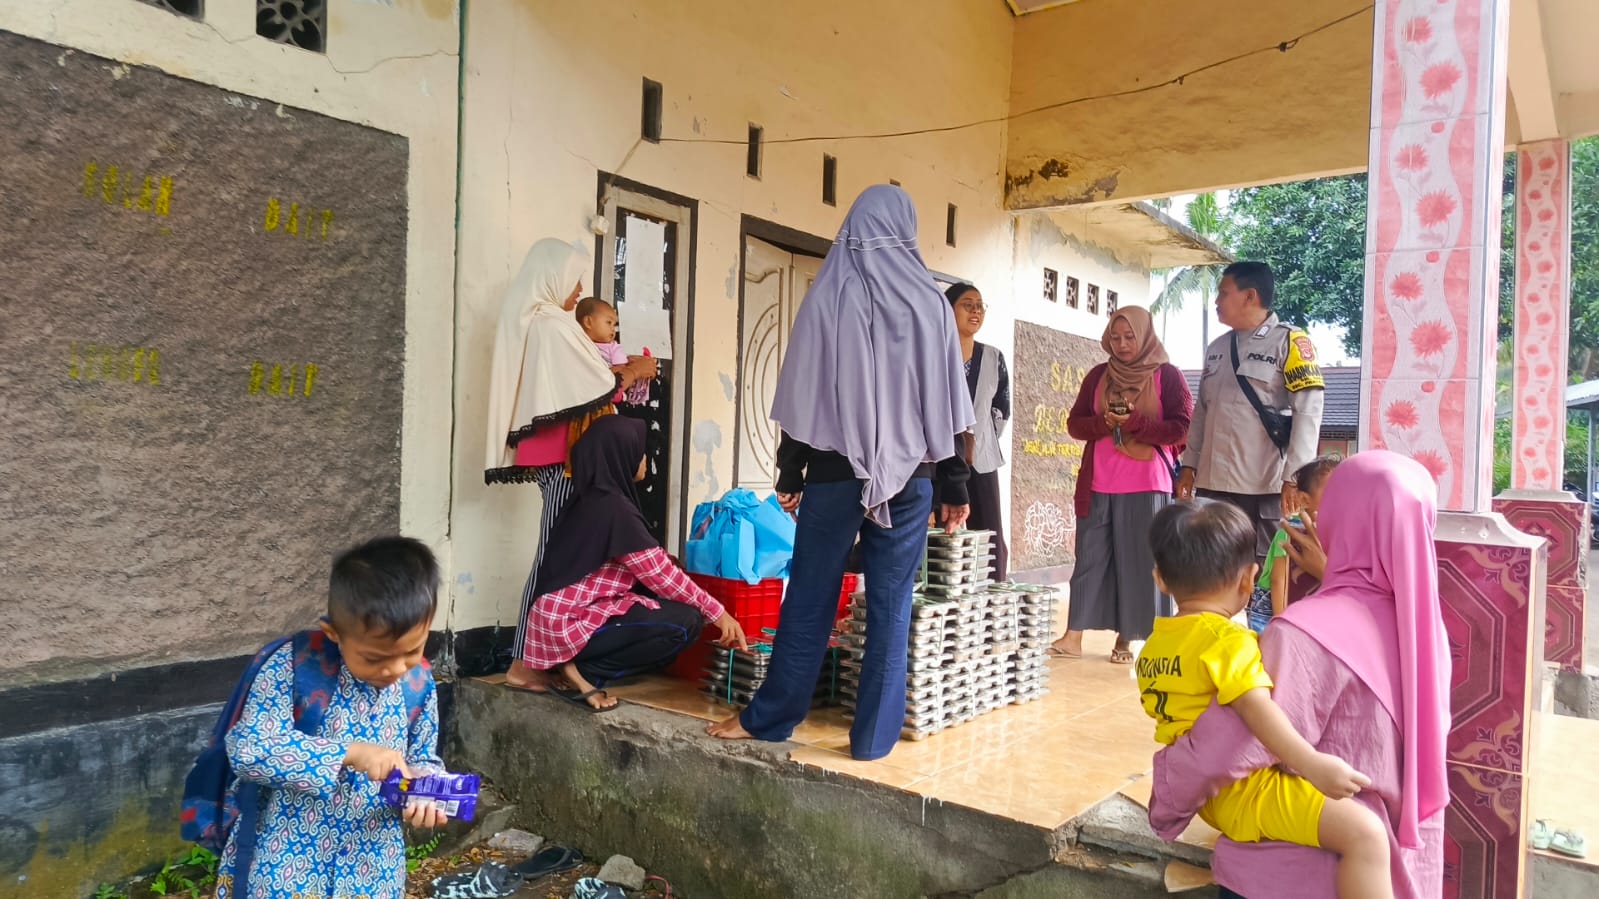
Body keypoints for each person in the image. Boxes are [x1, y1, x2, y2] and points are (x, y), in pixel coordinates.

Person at [708, 184, 975, 761]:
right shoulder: (931, 304)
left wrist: (790, 473)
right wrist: (954, 485)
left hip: (835, 472)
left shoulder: (829, 295)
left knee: (809, 594)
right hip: (913, 476)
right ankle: (872, 741)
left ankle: (770, 719)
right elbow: (948, 404)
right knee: (891, 605)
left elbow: (802, 393)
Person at [1149, 451, 1450, 899]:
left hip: (1286, 874)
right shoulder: (1425, 633)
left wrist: (1167, 796)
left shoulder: (1303, 634)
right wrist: (1337, 576)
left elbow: (1228, 748)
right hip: (1394, 872)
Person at [1139, 500, 1391, 899]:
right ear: (1249, 580)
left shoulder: (1154, 647)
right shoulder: (1227, 641)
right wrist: (1312, 764)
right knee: (1366, 835)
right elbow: (1256, 709)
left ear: (1160, 579)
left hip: (1211, 797)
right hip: (1247, 790)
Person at [214, 536, 447, 899]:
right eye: (374, 658)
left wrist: (427, 791)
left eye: (412, 651)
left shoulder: (418, 684)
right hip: (288, 866)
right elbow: (249, 750)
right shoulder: (293, 668)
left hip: (374, 870)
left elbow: (422, 758)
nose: (395, 669)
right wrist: (349, 753)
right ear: (334, 633)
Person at [484, 239, 657, 687]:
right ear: (553, 275)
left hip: (563, 456)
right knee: (554, 555)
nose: (579, 290)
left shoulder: (540, 322)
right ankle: (524, 662)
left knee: (562, 555)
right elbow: (597, 385)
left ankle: (543, 658)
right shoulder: (551, 326)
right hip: (566, 458)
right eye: (574, 279)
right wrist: (635, 371)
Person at [512, 416, 749, 710]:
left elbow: (644, 564)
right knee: (686, 622)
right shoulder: (613, 508)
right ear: (621, 455)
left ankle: (569, 666)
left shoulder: (589, 499)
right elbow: (660, 575)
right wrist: (718, 612)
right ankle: (582, 673)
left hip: (553, 623)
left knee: (661, 601)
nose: (645, 459)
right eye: (640, 451)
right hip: (566, 626)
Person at [1051, 306, 1190, 663]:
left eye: (1130, 337)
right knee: (1090, 558)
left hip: (1147, 484)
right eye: (1115, 337)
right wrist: (1105, 423)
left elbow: (1181, 429)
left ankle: (1126, 638)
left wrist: (1135, 424)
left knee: (1140, 562)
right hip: (1099, 481)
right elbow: (1075, 424)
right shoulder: (1099, 375)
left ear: (1145, 336)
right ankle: (1073, 635)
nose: (1122, 344)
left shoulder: (1167, 376)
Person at [1175, 261, 1325, 565]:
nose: (1216, 301)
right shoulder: (1216, 348)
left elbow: (1308, 412)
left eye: (1223, 293)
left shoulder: (1289, 342)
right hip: (1212, 486)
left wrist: (1295, 477)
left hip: (1263, 486)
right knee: (1210, 568)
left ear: (1249, 296)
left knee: (1260, 572)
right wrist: (1189, 465)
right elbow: (1202, 412)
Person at [944, 281, 1012, 580]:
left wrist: (980, 437)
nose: (975, 311)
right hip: (940, 457)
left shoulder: (993, 357)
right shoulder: (934, 352)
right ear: (948, 310)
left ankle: (993, 591)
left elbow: (1001, 407)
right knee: (942, 528)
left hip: (981, 459)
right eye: (967, 305)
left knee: (989, 532)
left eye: (980, 306)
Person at [1247, 455, 1340, 633]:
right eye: (1334, 493)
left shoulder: (1339, 534)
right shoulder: (1289, 533)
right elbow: (1278, 581)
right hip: (1272, 609)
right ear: (1304, 500)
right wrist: (1283, 625)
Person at [575, 297, 650, 406]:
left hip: (606, 397)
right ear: (588, 322)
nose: (613, 329)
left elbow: (621, 368)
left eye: (614, 325)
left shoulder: (614, 347)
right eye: (608, 322)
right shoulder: (577, 345)